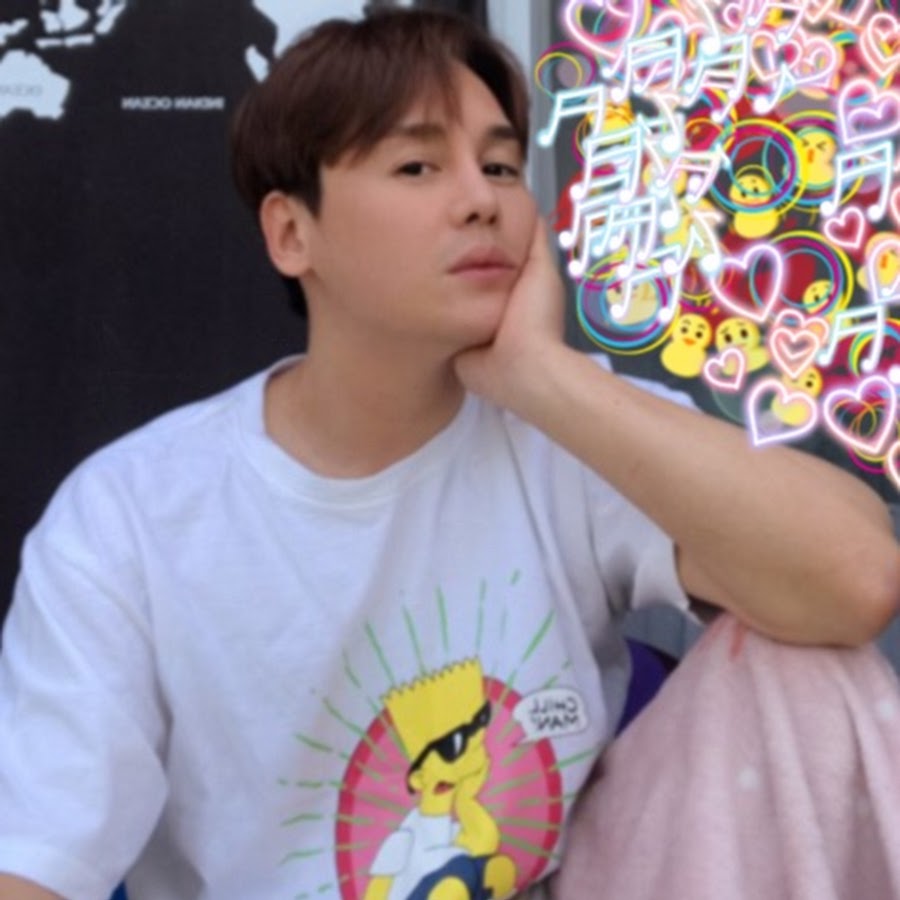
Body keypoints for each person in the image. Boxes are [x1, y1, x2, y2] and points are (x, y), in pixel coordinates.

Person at [0, 8, 898, 900]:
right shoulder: (130, 519)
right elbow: (36, 866)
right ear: (291, 234)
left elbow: (856, 580)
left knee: (807, 662)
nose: (482, 200)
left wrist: (541, 373)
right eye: (418, 166)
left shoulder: (563, 429)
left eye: (501, 166)